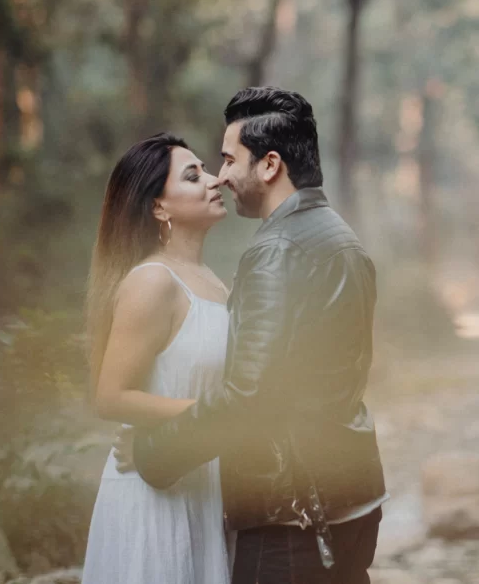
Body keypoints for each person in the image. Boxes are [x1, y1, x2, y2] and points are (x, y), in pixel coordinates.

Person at [115, 86, 388, 584]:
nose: (221, 177)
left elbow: (248, 398)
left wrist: (154, 454)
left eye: (227, 159)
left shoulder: (277, 251)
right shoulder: (341, 238)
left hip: (292, 513)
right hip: (352, 496)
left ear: (269, 165)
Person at [81, 132, 232, 584]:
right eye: (193, 175)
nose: (213, 181)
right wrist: (213, 418)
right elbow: (111, 397)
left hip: (198, 475)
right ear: (158, 208)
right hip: (152, 488)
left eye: (206, 169)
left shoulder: (214, 282)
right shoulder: (152, 281)